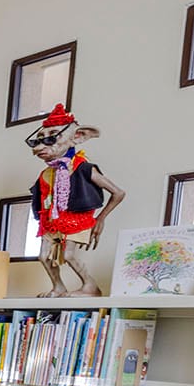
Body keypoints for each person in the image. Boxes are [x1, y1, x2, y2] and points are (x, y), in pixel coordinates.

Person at [26, 104, 125, 296]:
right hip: (51, 221)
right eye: (39, 140)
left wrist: (100, 219)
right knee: (43, 256)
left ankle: (91, 286)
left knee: (69, 255)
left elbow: (118, 193)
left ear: (77, 137)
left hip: (76, 220)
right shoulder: (46, 173)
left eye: (52, 137)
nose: (41, 146)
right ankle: (58, 286)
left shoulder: (83, 167)